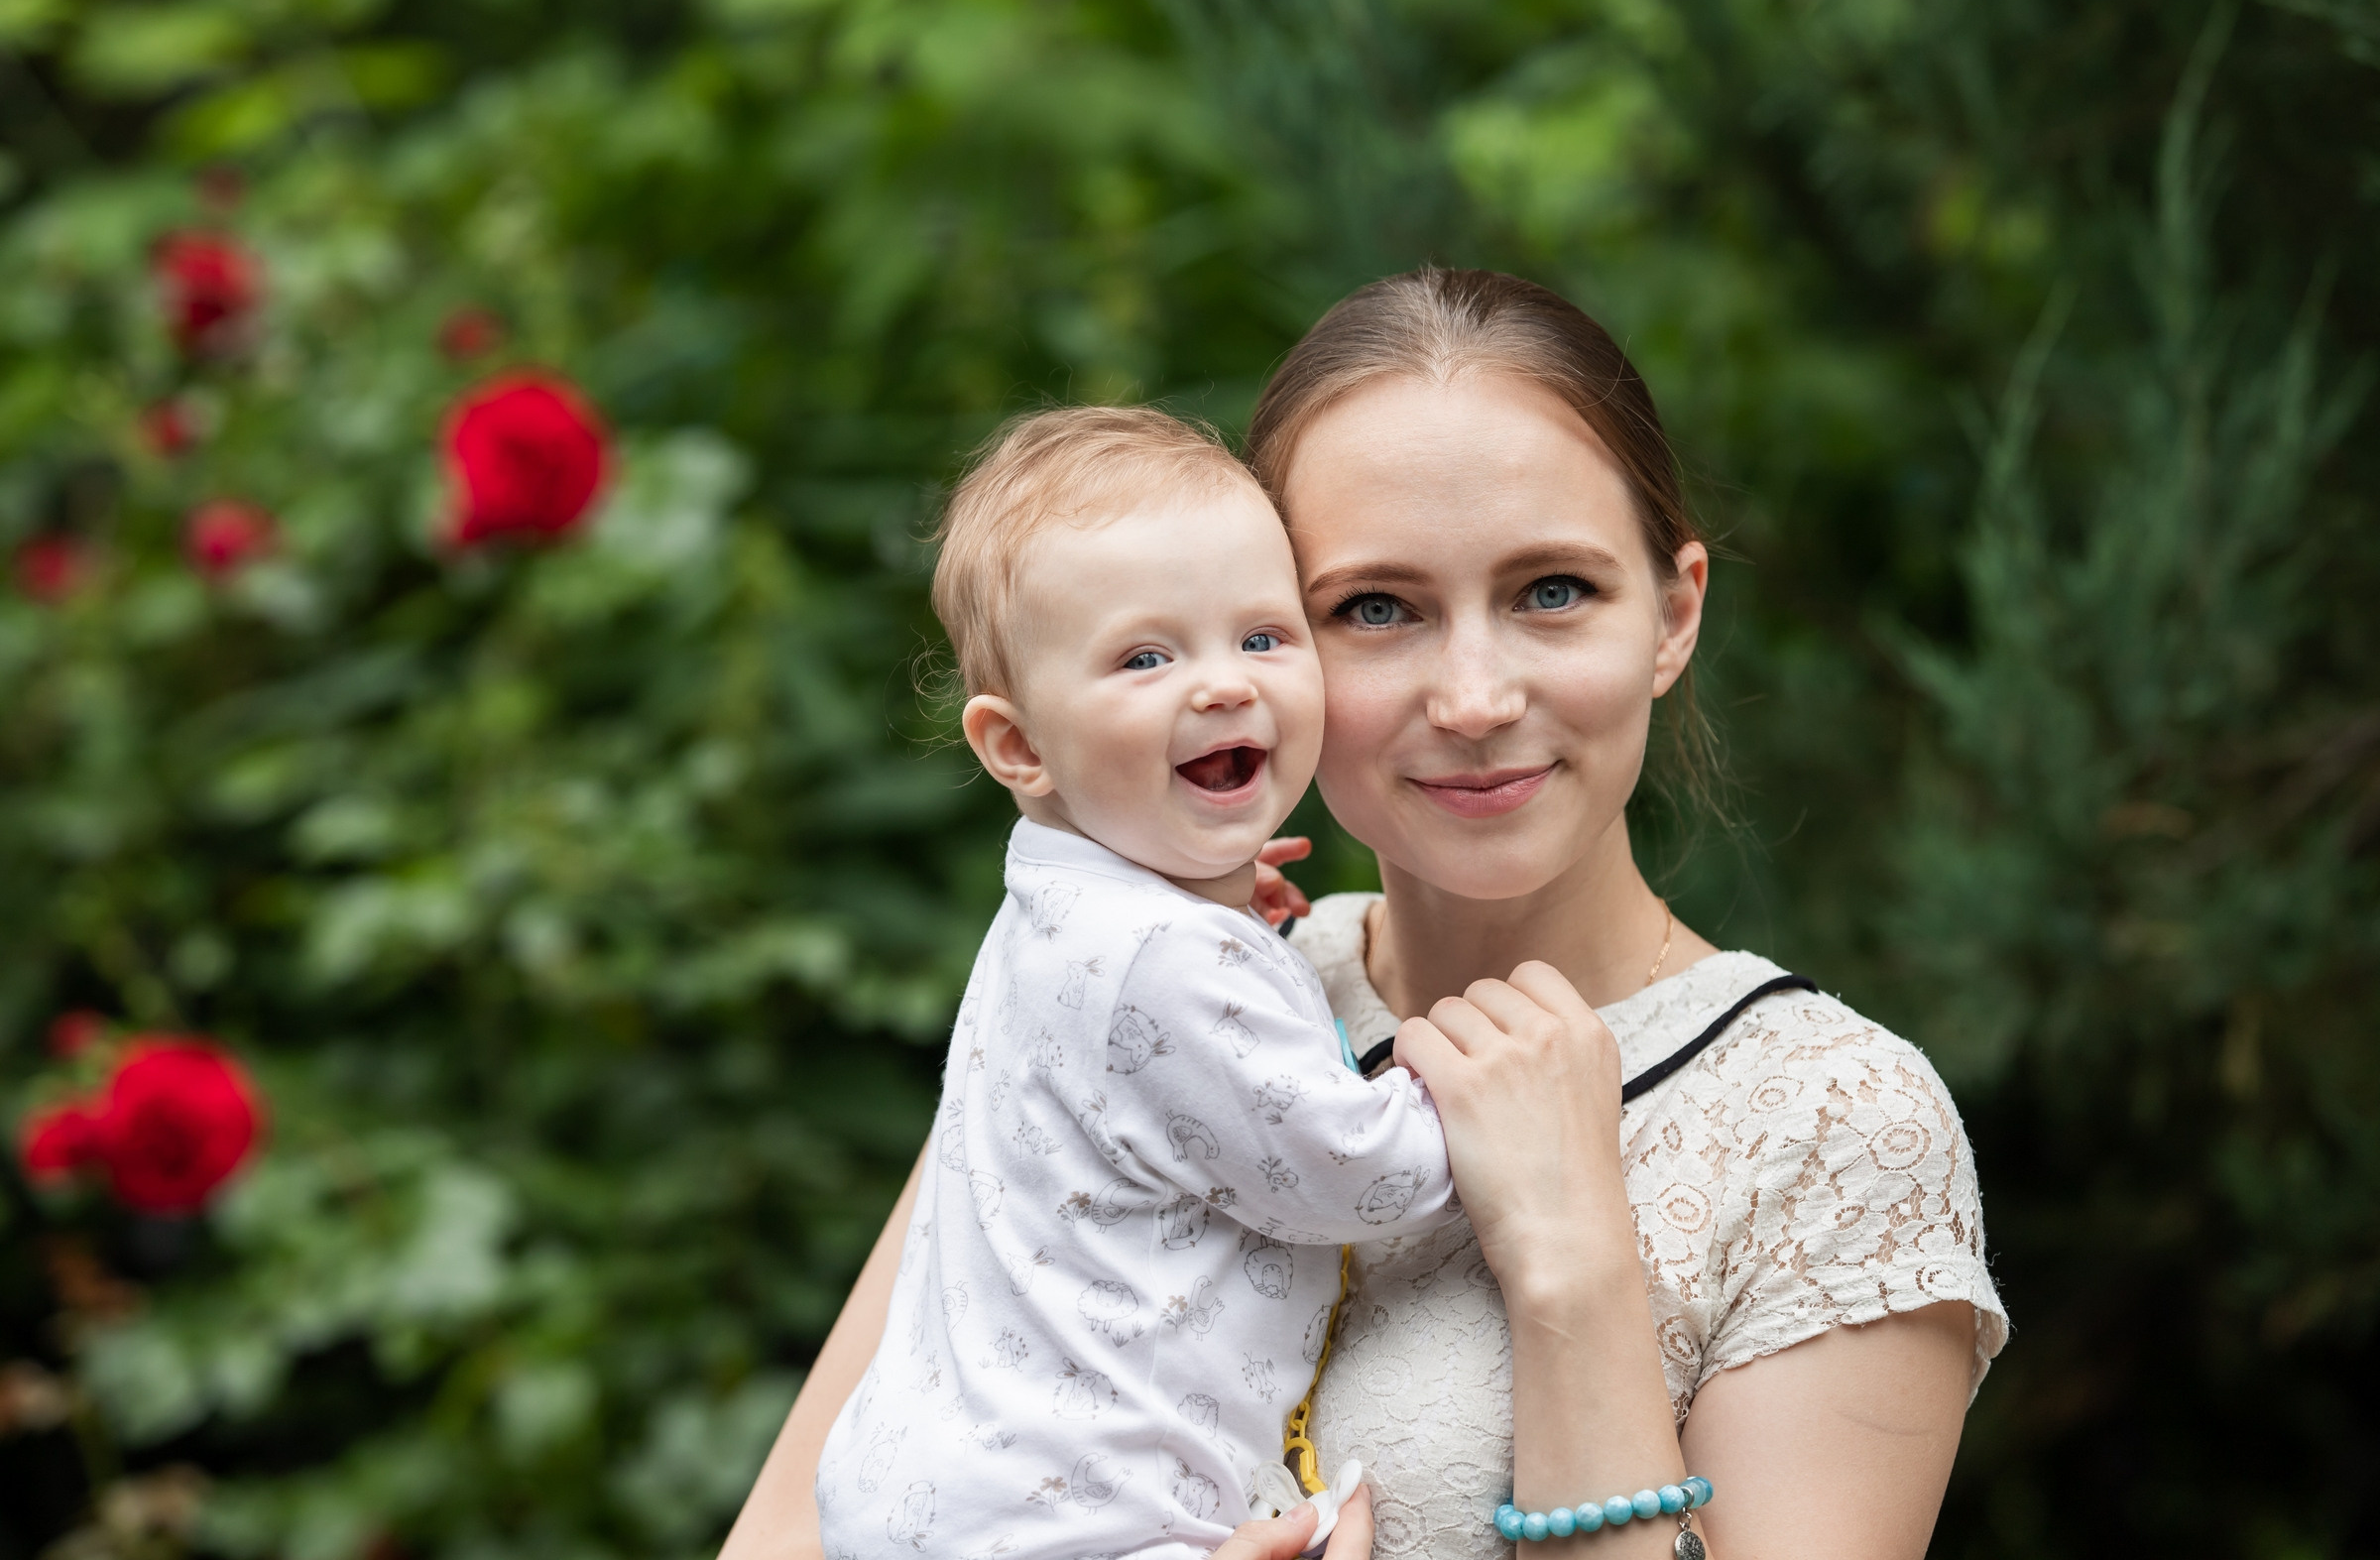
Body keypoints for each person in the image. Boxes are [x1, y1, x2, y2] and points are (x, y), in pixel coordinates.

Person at [723, 269, 2005, 1560]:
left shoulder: (1836, 1131)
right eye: (1374, 609)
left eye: (1553, 590)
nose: (1474, 698)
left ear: (1672, 616)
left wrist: (1571, 1263)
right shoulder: (1138, 996)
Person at [813, 406, 1460, 1560]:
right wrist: (1474, 1090)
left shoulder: (1065, 910)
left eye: (1262, 635)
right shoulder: (1166, 960)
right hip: (1080, 1521)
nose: (1222, 685)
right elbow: (1360, 1173)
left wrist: (1224, 909)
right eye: (1145, 658)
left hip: (960, 1492)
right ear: (1019, 747)